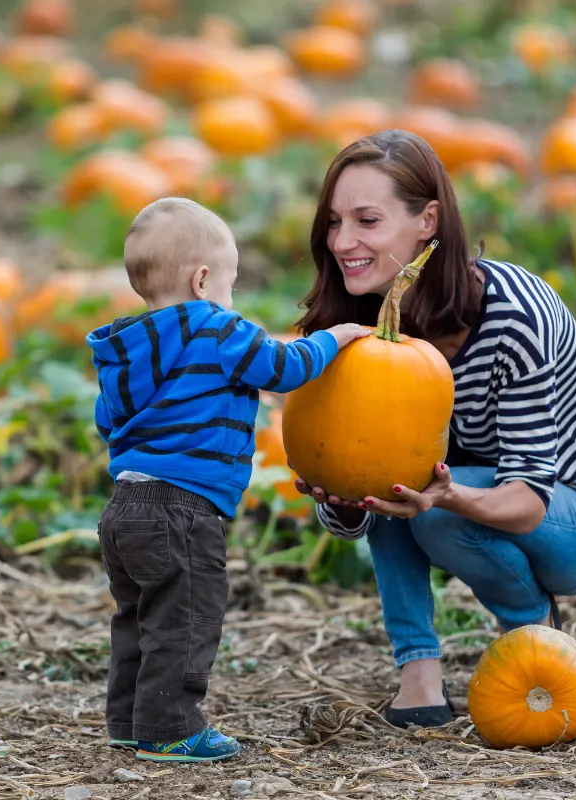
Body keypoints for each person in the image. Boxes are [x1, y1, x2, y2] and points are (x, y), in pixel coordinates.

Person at [290, 130, 576, 729]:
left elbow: (527, 501)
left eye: (367, 221)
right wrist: (340, 499)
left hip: (575, 520)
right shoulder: (353, 324)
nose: (343, 242)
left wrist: (443, 495)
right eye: (334, 222)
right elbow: (354, 508)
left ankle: (534, 632)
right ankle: (417, 673)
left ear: (427, 220)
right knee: (398, 483)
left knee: (428, 501)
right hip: (455, 495)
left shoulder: (515, 315)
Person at [87, 197, 370, 761]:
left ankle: (128, 720)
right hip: (183, 507)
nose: (231, 299)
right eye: (230, 286)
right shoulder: (215, 328)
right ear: (202, 280)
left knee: (138, 618)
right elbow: (281, 369)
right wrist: (335, 339)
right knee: (186, 617)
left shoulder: (127, 348)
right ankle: (170, 729)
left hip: (126, 506)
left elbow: (105, 420)